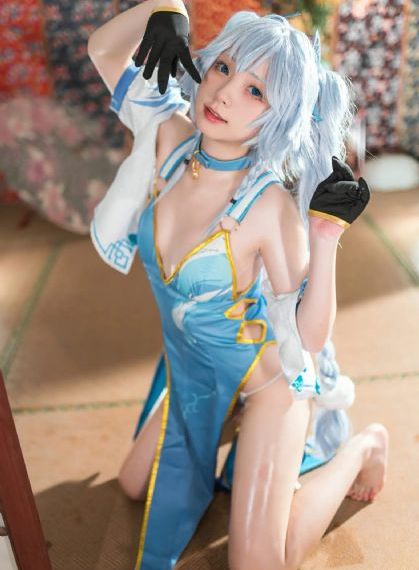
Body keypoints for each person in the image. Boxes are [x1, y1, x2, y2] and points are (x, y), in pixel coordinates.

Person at [87, 2, 389, 569]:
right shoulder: (168, 137)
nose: (224, 93)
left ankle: (364, 445)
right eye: (223, 67)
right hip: (197, 371)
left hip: (267, 383)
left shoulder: (268, 206)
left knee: (258, 563)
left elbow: (307, 338)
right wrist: (164, 7)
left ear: (280, 117)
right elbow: (103, 50)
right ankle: (231, 432)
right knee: (132, 485)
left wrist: (325, 238)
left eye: (255, 91)